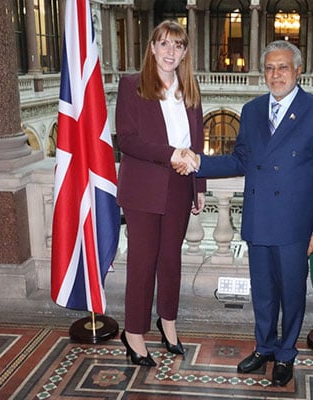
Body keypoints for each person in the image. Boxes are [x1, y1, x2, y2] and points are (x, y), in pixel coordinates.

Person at [180, 40, 313, 386]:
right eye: (269, 68)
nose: (275, 74)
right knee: (264, 293)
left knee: (292, 294)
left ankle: (285, 354)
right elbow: (241, 159)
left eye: (283, 67)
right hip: (258, 218)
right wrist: (199, 162)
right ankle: (265, 347)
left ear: (298, 71)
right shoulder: (251, 110)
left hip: (295, 224)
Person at [115, 20, 206, 367]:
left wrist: (198, 186)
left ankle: (168, 322)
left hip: (181, 186)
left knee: (171, 260)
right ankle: (134, 333)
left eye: (178, 46)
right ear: (152, 48)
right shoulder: (132, 86)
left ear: (185, 53)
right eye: (164, 44)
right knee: (143, 262)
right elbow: (128, 140)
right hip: (144, 189)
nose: (171, 52)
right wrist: (170, 154)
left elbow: (196, 143)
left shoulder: (191, 90)